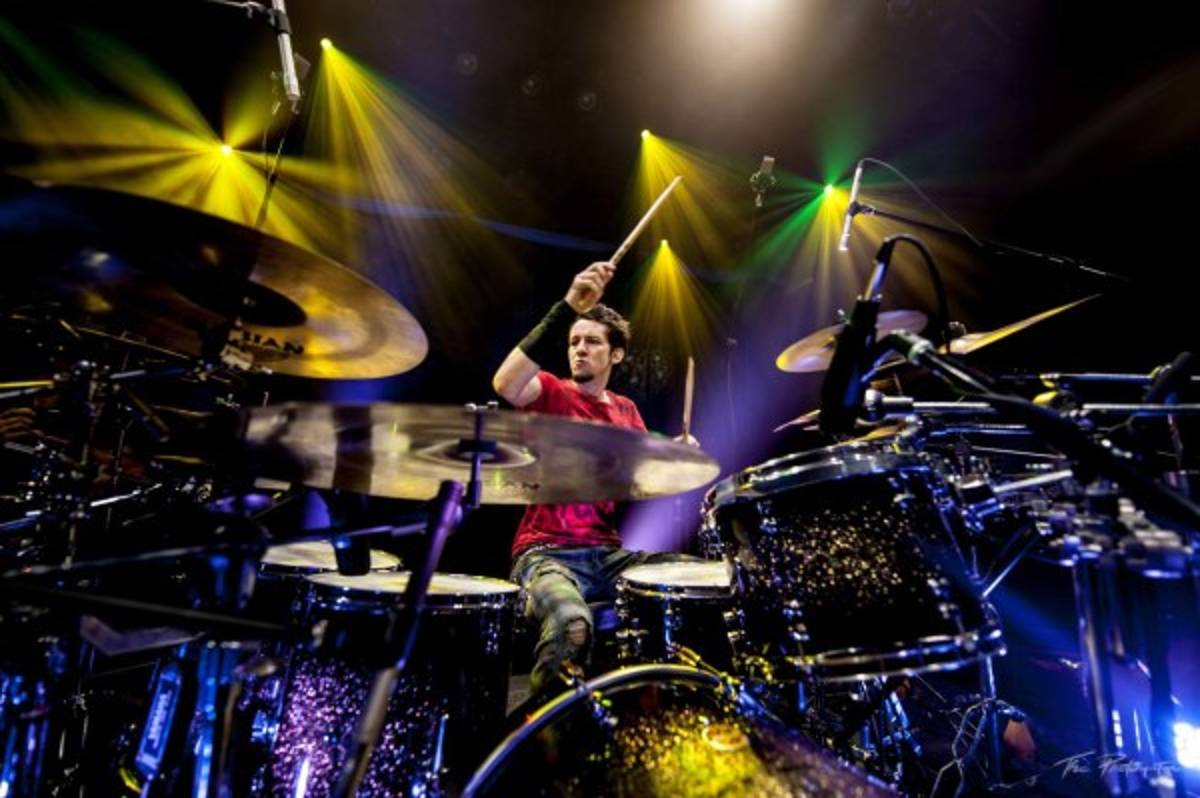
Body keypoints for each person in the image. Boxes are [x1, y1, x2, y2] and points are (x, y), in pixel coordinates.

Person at [492, 261, 692, 696]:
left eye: (592, 342)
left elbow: (644, 479)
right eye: (574, 342)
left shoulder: (626, 410)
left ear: (615, 355)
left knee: (696, 580)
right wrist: (567, 307)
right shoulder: (549, 391)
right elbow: (506, 383)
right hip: (546, 555)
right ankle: (547, 727)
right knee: (572, 624)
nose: (579, 350)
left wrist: (679, 457)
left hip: (606, 556)